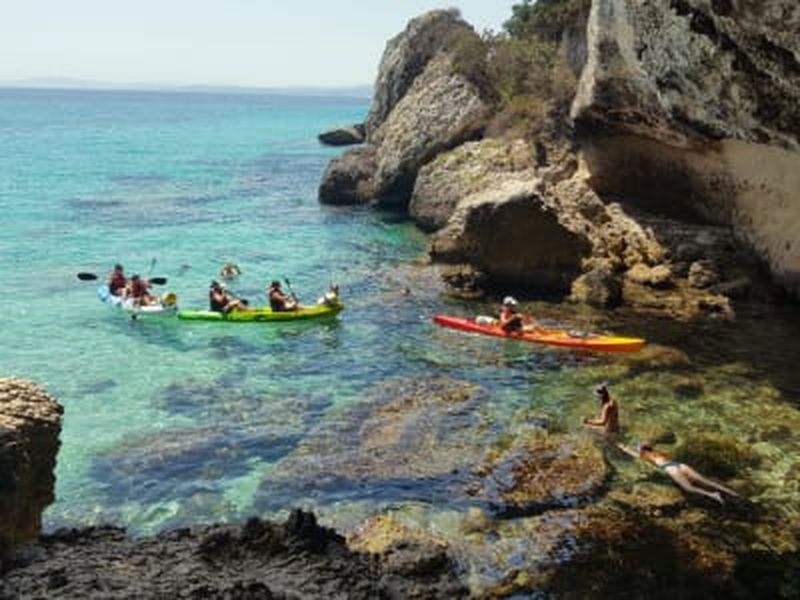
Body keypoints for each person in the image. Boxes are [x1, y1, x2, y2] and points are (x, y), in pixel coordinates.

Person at [617, 441, 741, 504]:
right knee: (705, 480)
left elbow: (634, 453)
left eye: (639, 447)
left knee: (689, 488)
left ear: (643, 450)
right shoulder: (657, 452)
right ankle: (731, 492)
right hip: (680, 465)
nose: (638, 449)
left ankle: (713, 495)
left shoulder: (646, 456)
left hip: (672, 469)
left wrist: (623, 448)